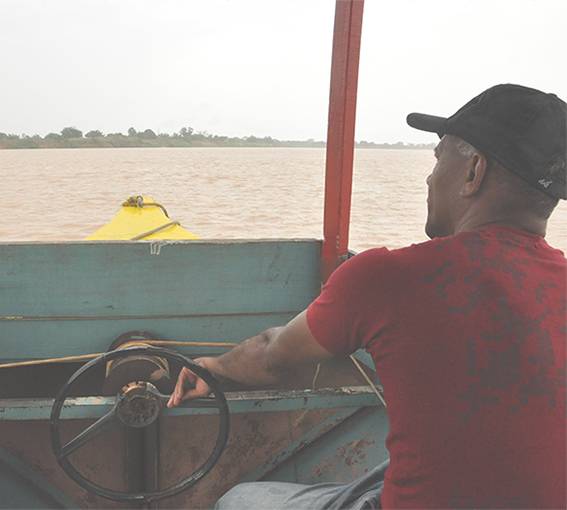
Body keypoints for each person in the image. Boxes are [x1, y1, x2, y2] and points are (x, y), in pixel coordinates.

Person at [168, 84, 566, 509]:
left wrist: (213, 367)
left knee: (240, 500)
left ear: (474, 172)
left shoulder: (390, 275)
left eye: (438, 159)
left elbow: (272, 354)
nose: (430, 178)